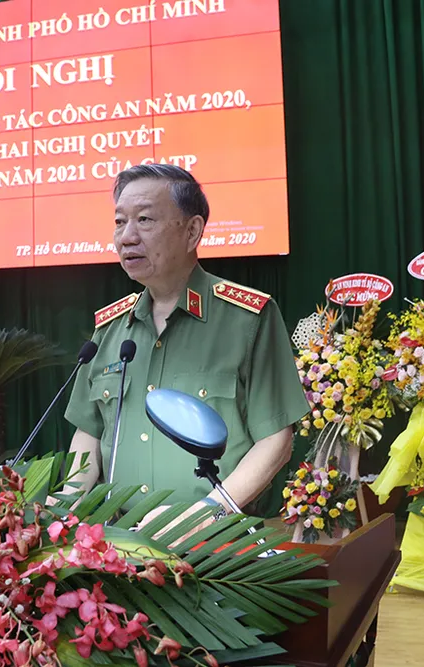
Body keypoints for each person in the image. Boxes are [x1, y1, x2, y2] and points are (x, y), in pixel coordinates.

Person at [61, 164, 309, 527]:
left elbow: (276, 440)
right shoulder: (111, 329)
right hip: (120, 541)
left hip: (217, 541)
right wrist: (63, 511)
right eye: (119, 222)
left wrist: (205, 516)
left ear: (192, 231)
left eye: (144, 219)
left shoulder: (247, 319)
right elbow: (89, 434)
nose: (127, 237)